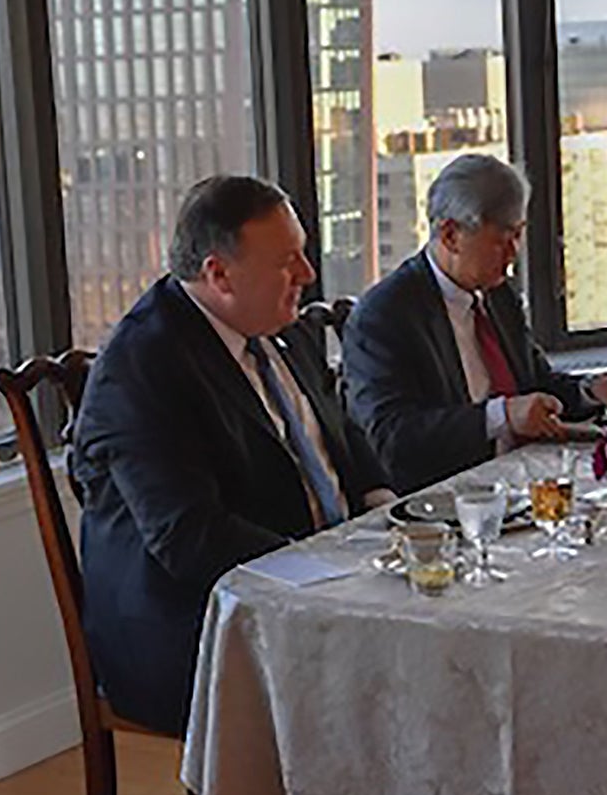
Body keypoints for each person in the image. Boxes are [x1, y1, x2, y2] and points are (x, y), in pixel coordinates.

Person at [71, 176, 392, 736]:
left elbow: (339, 438)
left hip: (305, 585)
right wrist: (330, 570)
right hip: (195, 628)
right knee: (409, 667)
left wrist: (385, 509)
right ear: (218, 273)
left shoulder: (273, 328)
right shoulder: (143, 367)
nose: (308, 275)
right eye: (287, 261)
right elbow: (190, 539)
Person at [343, 153, 607, 494]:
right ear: (450, 235)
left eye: (518, 236)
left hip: (524, 483)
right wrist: (501, 416)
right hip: (447, 501)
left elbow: (535, 383)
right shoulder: (385, 314)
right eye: (500, 239)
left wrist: (592, 390)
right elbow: (393, 437)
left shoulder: (497, 293)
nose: (513, 254)